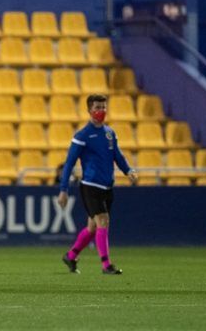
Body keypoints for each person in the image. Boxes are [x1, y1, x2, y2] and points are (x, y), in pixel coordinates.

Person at [58, 94, 138, 275]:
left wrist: (128, 171)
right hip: (90, 186)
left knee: (93, 228)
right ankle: (106, 265)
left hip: (107, 186)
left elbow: (117, 155)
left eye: (103, 107)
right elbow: (69, 163)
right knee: (104, 221)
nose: (101, 111)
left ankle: (71, 256)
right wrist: (63, 189)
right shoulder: (82, 136)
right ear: (89, 110)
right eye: (97, 108)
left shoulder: (110, 133)